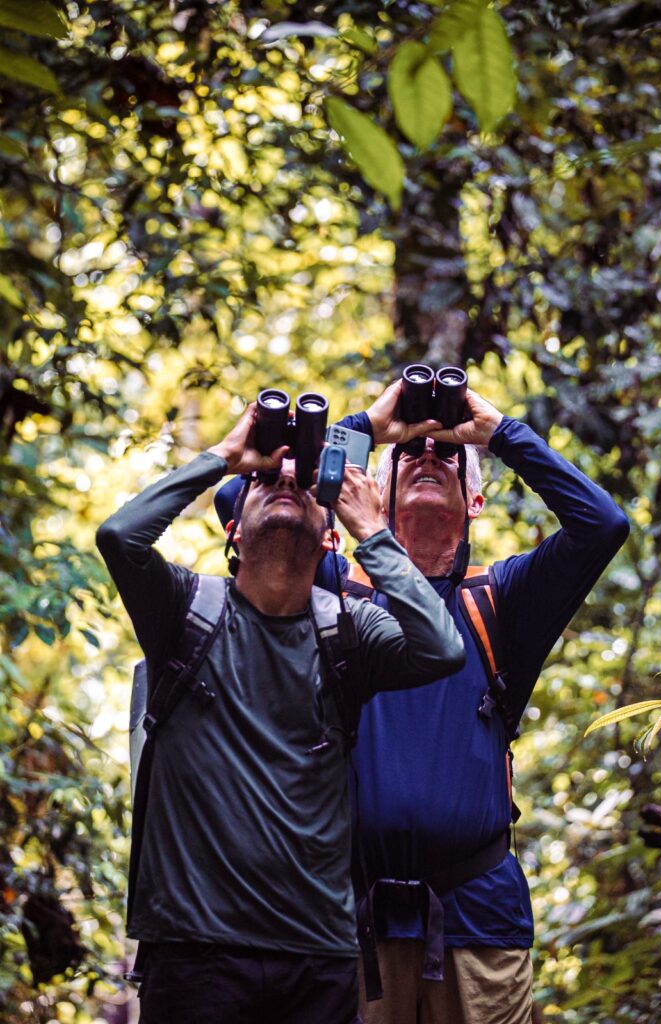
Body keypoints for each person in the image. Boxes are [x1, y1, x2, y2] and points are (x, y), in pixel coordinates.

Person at [95, 401, 465, 1024]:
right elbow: (118, 538)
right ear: (234, 532)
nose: (286, 481)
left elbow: (442, 649)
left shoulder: (349, 629)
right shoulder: (184, 611)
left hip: (317, 959)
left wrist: (372, 531)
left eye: (304, 482)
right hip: (193, 952)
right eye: (265, 481)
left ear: (329, 535)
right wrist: (225, 458)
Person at [315, 380, 630, 1024]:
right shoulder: (332, 589)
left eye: (447, 454)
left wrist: (499, 433)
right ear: (376, 493)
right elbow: (252, 502)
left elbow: (603, 525)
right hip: (354, 918)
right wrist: (368, 427)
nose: (428, 455)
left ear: (476, 501)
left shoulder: (501, 598)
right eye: (410, 452)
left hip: (477, 919)